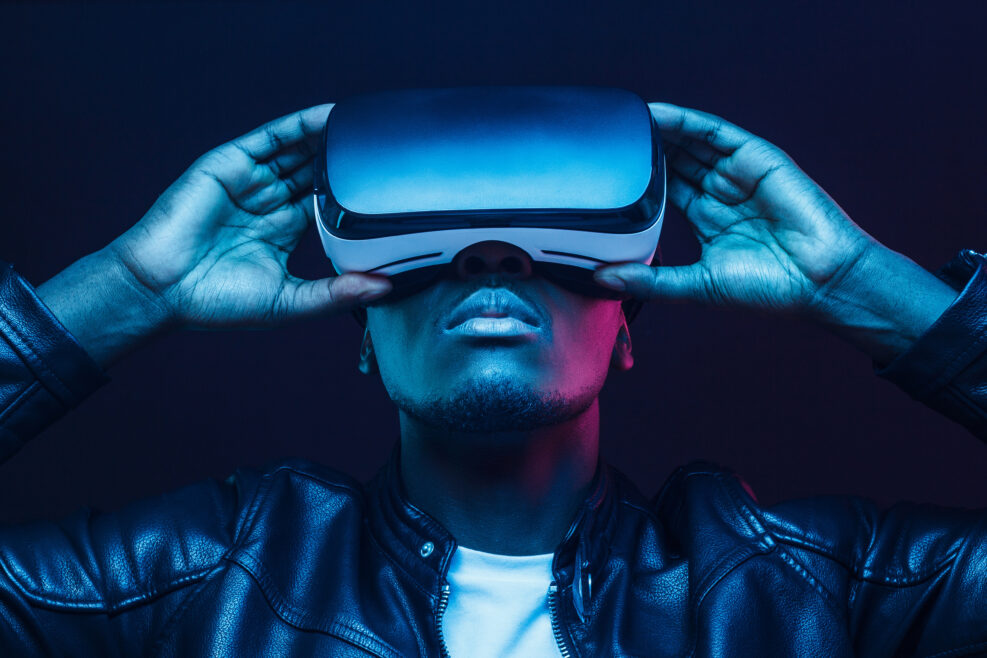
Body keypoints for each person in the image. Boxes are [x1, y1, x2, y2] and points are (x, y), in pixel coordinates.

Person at [0, 100, 984, 657]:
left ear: (628, 332)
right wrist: (132, 287)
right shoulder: (193, 582)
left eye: (557, 241)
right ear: (361, 335)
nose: (492, 256)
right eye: (427, 246)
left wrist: (856, 280)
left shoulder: (818, 592)